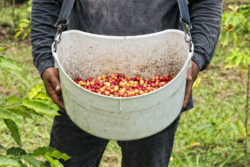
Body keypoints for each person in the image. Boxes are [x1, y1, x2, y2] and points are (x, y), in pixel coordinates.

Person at [31, 0, 222, 166]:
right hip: (79, 82)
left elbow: (207, 3)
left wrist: (196, 60)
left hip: (158, 90)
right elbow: (47, 2)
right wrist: (45, 59)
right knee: (68, 161)